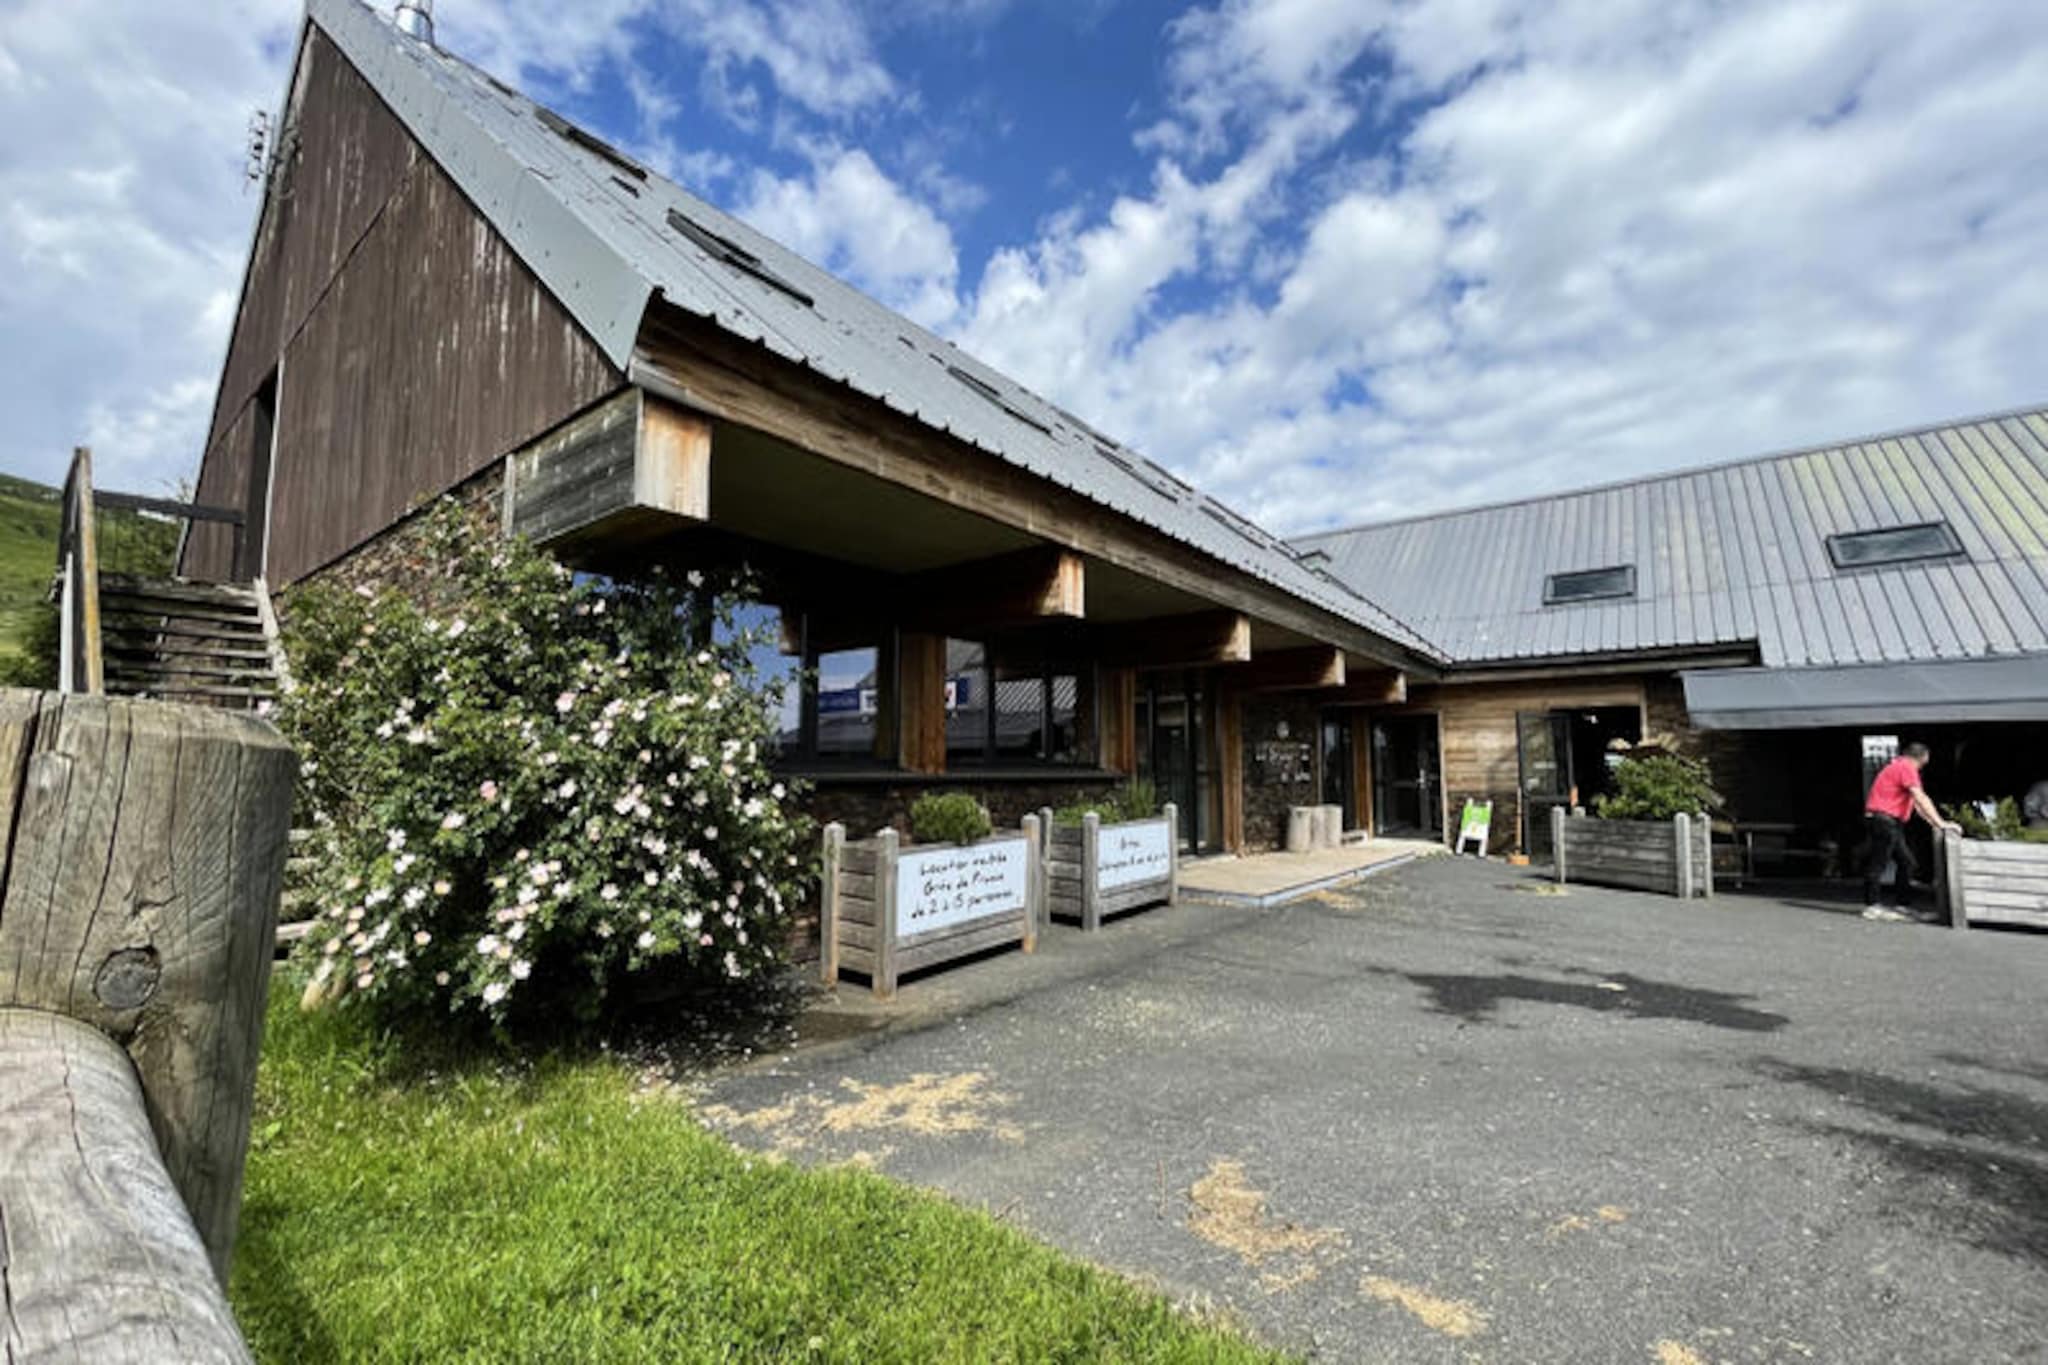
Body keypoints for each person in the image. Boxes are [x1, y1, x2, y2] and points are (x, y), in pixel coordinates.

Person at [1861, 742, 1959, 923]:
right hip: (1885, 820)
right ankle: (1872, 906)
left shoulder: (1898, 767)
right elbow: (1921, 797)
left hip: (1887, 821)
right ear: (1921, 758)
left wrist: (1935, 824)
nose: (1922, 767)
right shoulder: (1906, 768)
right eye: (1924, 763)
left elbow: (1916, 804)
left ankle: (1902, 904)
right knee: (1879, 862)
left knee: (1906, 863)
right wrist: (1941, 823)